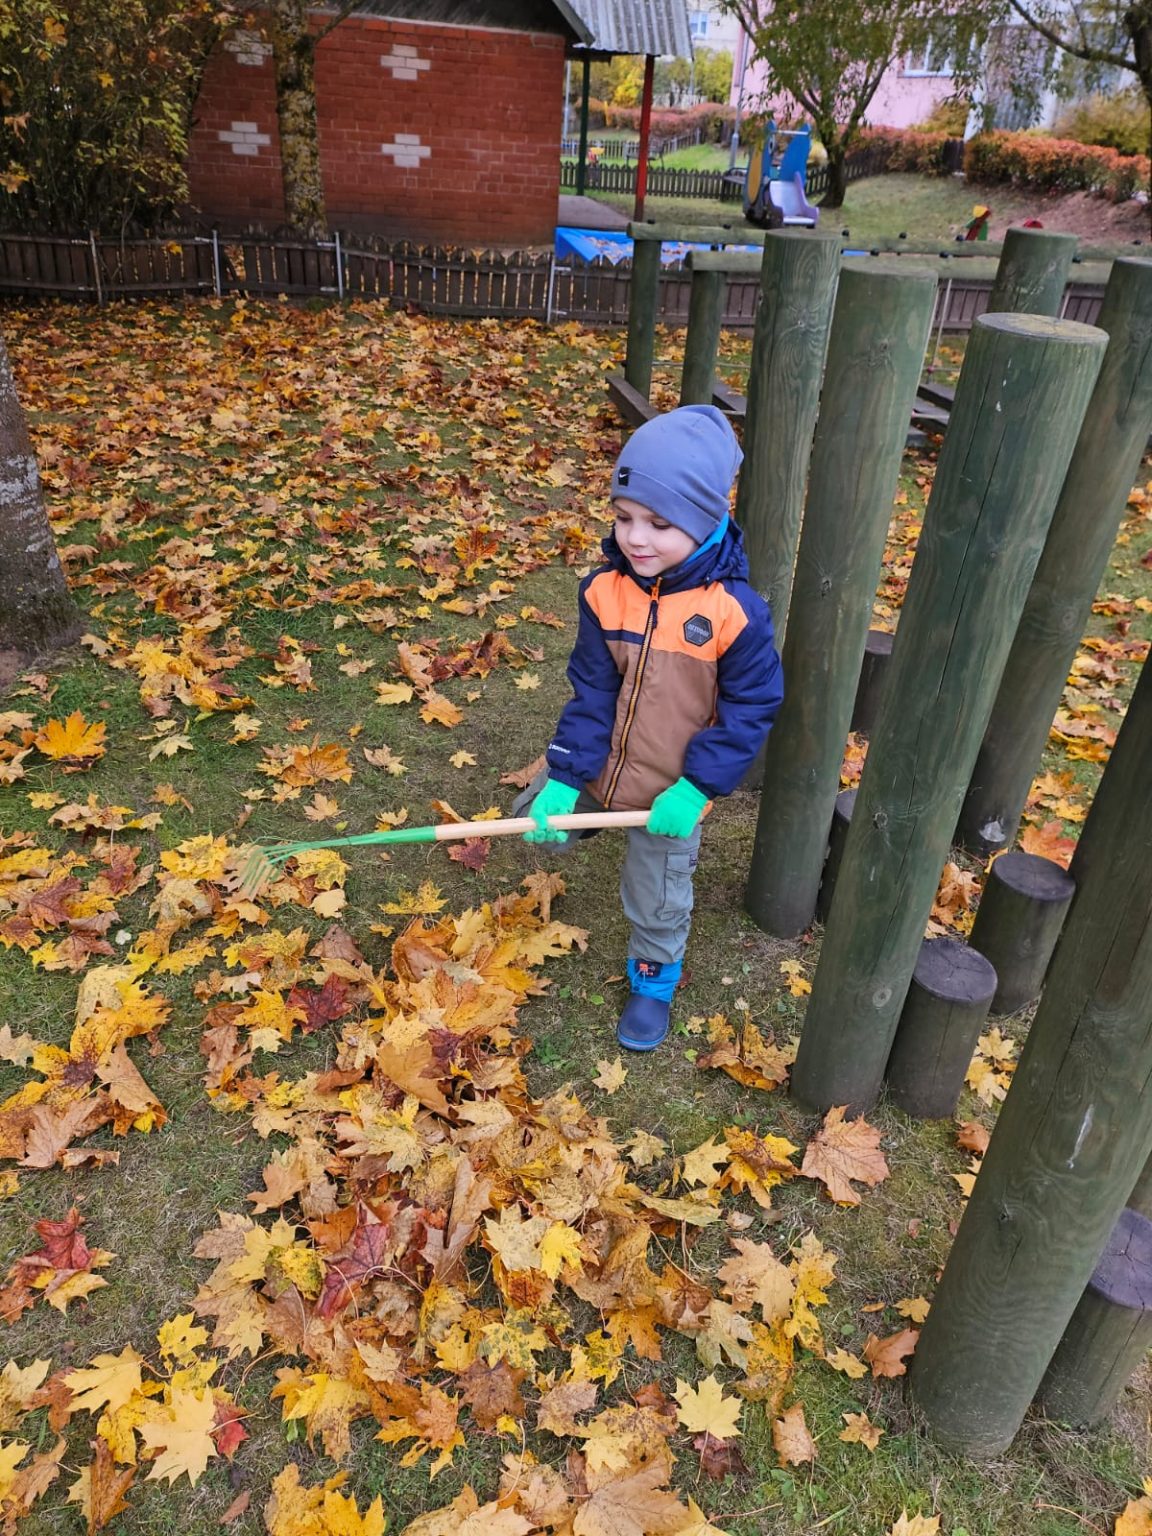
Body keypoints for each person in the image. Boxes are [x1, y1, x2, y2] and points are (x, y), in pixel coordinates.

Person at [514, 405, 783, 1053]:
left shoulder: (734, 615)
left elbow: (751, 710)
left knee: (658, 894)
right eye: (624, 516)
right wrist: (565, 774)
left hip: (669, 791)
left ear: (707, 520)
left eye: (660, 524)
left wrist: (696, 788)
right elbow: (592, 690)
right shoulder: (603, 592)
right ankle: (585, 807)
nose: (636, 538)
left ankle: (653, 979)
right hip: (602, 766)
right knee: (532, 820)